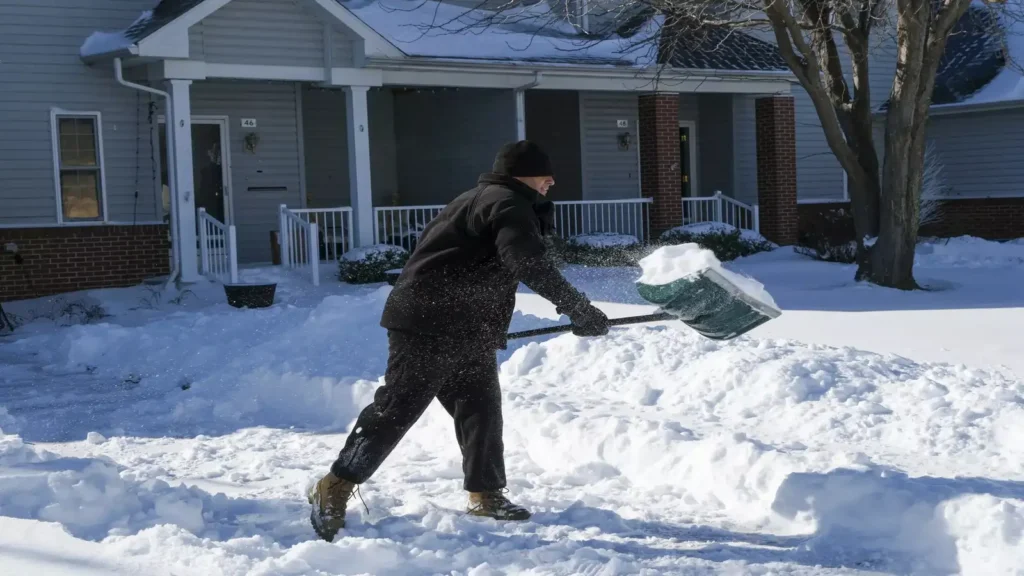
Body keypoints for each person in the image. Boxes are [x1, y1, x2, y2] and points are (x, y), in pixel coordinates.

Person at [307, 140, 610, 542]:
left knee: (480, 408)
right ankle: (336, 484)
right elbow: (527, 262)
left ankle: (485, 493)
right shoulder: (505, 202)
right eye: (544, 172)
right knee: (398, 407)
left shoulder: (489, 198)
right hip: (428, 324)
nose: (551, 180)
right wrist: (578, 307)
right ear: (521, 175)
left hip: (465, 326)